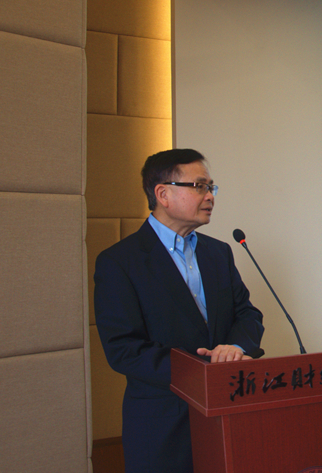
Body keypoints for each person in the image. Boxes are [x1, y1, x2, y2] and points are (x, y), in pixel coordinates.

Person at [94, 148, 264, 473]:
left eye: (211, 187)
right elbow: (124, 349)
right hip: (162, 425)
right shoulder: (120, 262)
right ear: (163, 194)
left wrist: (236, 347)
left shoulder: (219, 252)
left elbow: (248, 314)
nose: (210, 196)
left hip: (228, 413)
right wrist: (201, 371)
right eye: (199, 186)